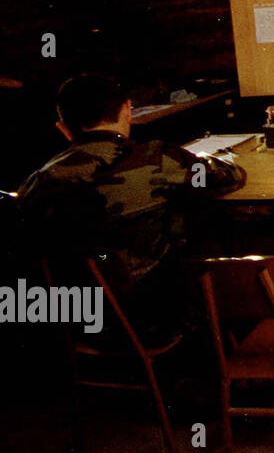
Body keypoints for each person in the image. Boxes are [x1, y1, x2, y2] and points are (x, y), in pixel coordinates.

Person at [16, 73, 244, 343]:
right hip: (155, 317)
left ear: (63, 127)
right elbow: (231, 176)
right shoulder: (159, 158)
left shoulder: (37, 182)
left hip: (69, 323)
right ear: (127, 110)